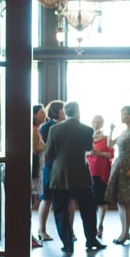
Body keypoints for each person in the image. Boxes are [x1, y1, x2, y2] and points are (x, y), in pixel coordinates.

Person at [43, 101, 106, 255]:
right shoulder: (86, 129)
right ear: (77, 111)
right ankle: (91, 240)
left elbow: (49, 152)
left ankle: (67, 243)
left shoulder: (54, 129)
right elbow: (88, 148)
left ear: (65, 112)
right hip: (80, 173)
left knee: (61, 210)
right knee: (88, 210)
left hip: (60, 174)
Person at [105, 105, 130, 245]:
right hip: (119, 165)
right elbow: (111, 144)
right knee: (120, 201)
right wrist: (111, 130)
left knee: (126, 201)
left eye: (125, 114)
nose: (122, 116)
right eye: (121, 114)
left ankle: (126, 232)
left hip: (128, 165)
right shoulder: (124, 131)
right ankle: (124, 232)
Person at [35, 100, 74, 242]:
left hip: (67, 167)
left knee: (69, 199)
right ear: (57, 111)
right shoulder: (46, 127)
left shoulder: (69, 126)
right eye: (63, 109)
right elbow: (47, 147)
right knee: (47, 198)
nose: (65, 112)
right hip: (50, 165)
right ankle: (42, 229)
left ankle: (70, 231)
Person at [86, 114, 113, 238]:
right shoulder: (87, 138)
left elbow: (110, 155)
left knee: (101, 201)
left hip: (102, 172)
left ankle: (100, 225)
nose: (96, 124)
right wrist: (89, 152)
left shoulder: (106, 138)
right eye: (94, 121)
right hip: (89, 172)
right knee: (90, 202)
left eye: (98, 122)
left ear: (102, 124)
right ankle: (91, 227)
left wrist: (99, 153)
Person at [31, 104, 46, 248]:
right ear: (34, 115)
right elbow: (34, 149)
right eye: (42, 112)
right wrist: (47, 145)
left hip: (37, 169)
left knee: (33, 201)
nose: (44, 115)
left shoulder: (37, 130)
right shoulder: (34, 130)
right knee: (31, 201)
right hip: (34, 169)